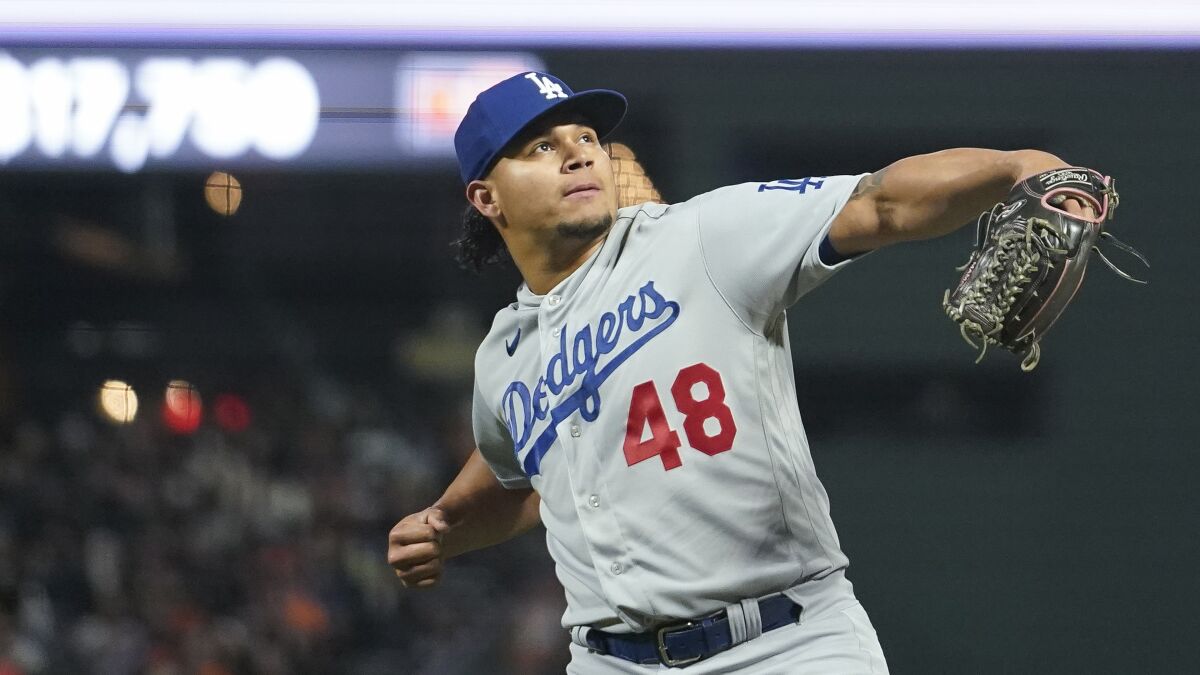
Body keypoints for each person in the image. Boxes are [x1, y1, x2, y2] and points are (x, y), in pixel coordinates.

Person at [387, 71, 1095, 673]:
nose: (578, 157)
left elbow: (877, 201)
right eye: (544, 147)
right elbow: (523, 466)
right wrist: (446, 522)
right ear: (487, 197)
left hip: (787, 642)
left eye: (587, 141)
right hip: (608, 658)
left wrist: (1013, 167)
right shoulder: (503, 357)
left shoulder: (700, 237)